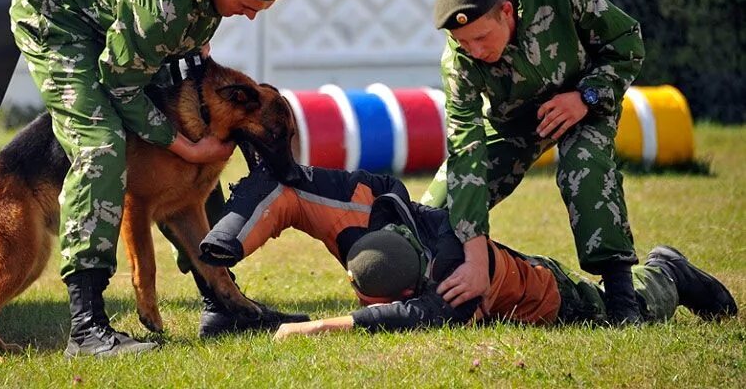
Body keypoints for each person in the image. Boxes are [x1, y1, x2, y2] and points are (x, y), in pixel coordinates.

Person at [10, 0, 303, 357]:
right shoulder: (161, 1)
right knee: (101, 145)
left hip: (118, 22)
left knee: (198, 139)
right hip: (56, 15)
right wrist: (183, 147)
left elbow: (173, 35)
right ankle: (86, 327)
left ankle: (222, 303)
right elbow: (122, 84)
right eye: (247, 7)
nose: (249, 18)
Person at [197, 164, 736, 339]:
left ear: (412, 285)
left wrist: (312, 327)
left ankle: (668, 266)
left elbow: (406, 317)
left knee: (637, 305)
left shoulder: (450, 288)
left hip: (558, 299)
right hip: (512, 267)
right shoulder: (406, 228)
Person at [424, 0, 647, 325]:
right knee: (434, 210)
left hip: (581, 104)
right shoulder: (459, 61)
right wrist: (476, 257)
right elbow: (465, 148)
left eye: (481, 37)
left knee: (583, 168)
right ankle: (436, 293)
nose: (475, 51)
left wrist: (586, 97)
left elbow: (627, 43)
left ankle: (623, 300)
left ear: (507, 12)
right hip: (511, 123)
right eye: (463, 42)